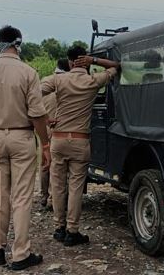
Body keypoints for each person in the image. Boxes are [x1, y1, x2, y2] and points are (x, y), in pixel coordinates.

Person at [0, 25, 50, 271]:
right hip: (21, 136)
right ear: (18, 43)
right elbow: (37, 113)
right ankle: (21, 254)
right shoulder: (28, 72)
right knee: (22, 197)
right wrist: (45, 143)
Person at [41, 46, 120, 246]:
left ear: (69, 62)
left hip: (57, 140)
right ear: (83, 60)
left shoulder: (58, 80)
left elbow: (33, 93)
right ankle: (72, 230)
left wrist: (45, 119)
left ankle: (58, 228)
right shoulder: (92, 81)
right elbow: (117, 67)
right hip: (80, 140)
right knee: (75, 187)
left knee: (57, 185)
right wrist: (93, 61)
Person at [40, 58, 71, 208]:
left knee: (44, 163)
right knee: (55, 166)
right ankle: (54, 199)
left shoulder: (44, 81)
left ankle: (44, 195)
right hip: (59, 128)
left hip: (42, 127)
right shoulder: (66, 83)